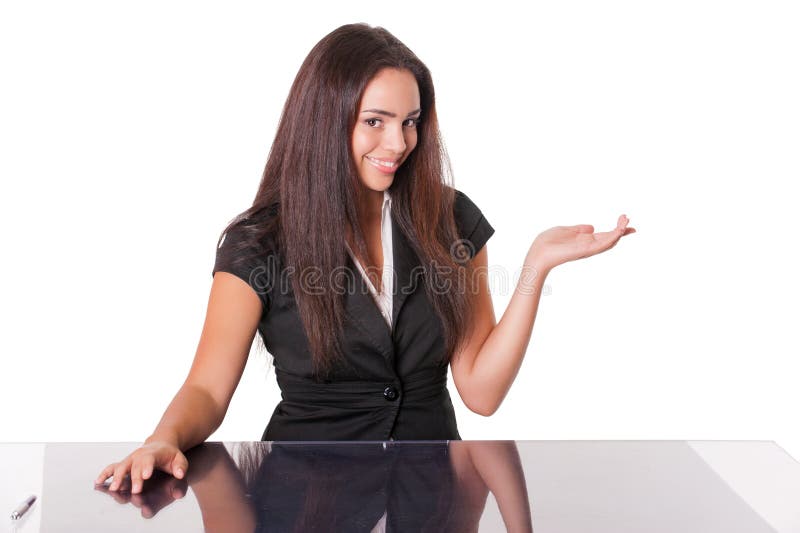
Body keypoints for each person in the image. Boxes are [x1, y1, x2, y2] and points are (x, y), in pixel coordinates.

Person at [96, 23, 635, 495]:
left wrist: (534, 269)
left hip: (431, 500)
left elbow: (481, 391)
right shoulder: (258, 241)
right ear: (325, 120)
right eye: (375, 121)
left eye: (410, 120)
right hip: (302, 500)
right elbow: (207, 388)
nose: (398, 142)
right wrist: (162, 439)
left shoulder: (452, 221)